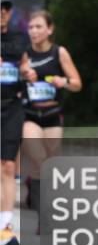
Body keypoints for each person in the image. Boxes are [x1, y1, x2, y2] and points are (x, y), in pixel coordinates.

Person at [21, 11, 82, 212]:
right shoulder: (25, 53)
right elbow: (14, 80)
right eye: (31, 27)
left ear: (50, 29)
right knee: (37, 158)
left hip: (53, 114)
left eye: (38, 27)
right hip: (30, 114)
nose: (34, 31)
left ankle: (36, 185)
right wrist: (24, 76)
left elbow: (77, 84)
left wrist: (63, 82)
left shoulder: (59, 52)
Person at [0, 0, 30, 245]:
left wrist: (28, 72)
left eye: (5, 7)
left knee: (8, 166)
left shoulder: (20, 39)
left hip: (11, 107)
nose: (2, 12)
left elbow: (27, 65)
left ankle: (5, 228)